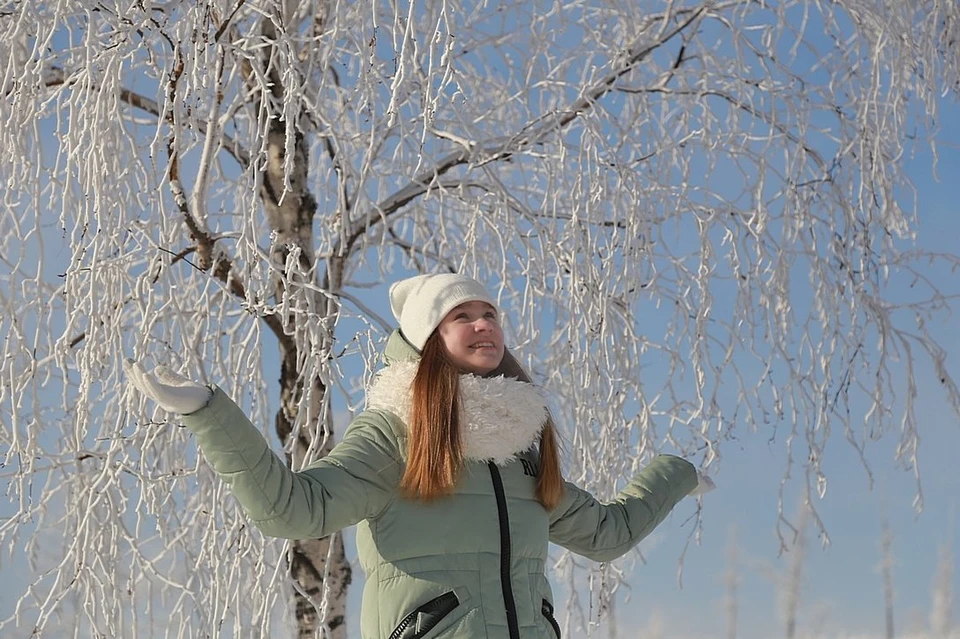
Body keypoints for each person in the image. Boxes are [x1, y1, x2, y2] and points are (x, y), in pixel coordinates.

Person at [125, 273, 714, 639]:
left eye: (490, 314)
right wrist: (207, 409)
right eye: (462, 316)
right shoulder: (395, 434)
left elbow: (605, 535)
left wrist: (676, 474)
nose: (484, 324)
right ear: (428, 339)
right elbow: (292, 511)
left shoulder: (521, 450)